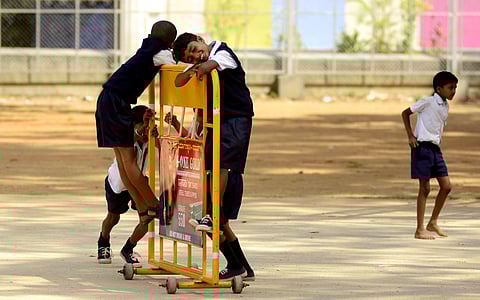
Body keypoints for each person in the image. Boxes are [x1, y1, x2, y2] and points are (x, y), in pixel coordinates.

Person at [173, 33, 255, 281]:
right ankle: (240, 267)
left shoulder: (222, 52)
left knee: (222, 167)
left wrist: (196, 67)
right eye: (190, 56)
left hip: (236, 119)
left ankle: (213, 210)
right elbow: (178, 81)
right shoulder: (201, 64)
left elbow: (208, 66)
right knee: (218, 224)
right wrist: (190, 69)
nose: (197, 56)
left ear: (200, 39)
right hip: (218, 124)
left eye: (195, 49)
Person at [95, 21, 176, 231]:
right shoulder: (161, 54)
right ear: (171, 42)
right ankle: (152, 204)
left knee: (123, 160)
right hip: (117, 102)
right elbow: (175, 66)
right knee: (129, 160)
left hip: (107, 99)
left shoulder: (147, 49)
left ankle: (142, 205)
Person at [97, 105, 159, 266]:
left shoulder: (148, 137)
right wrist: (141, 131)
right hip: (118, 184)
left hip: (139, 182)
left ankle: (128, 248)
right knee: (113, 217)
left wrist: (156, 136)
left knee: (147, 218)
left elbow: (163, 148)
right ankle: (103, 241)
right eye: (143, 124)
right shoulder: (126, 136)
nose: (146, 128)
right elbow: (133, 137)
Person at [401, 71, 457, 240]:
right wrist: (410, 136)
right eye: (450, 88)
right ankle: (419, 229)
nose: (453, 91)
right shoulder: (427, 101)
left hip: (435, 149)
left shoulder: (445, 106)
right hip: (422, 147)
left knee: (446, 186)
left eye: (455, 87)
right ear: (439, 88)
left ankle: (433, 222)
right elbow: (405, 113)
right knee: (425, 188)